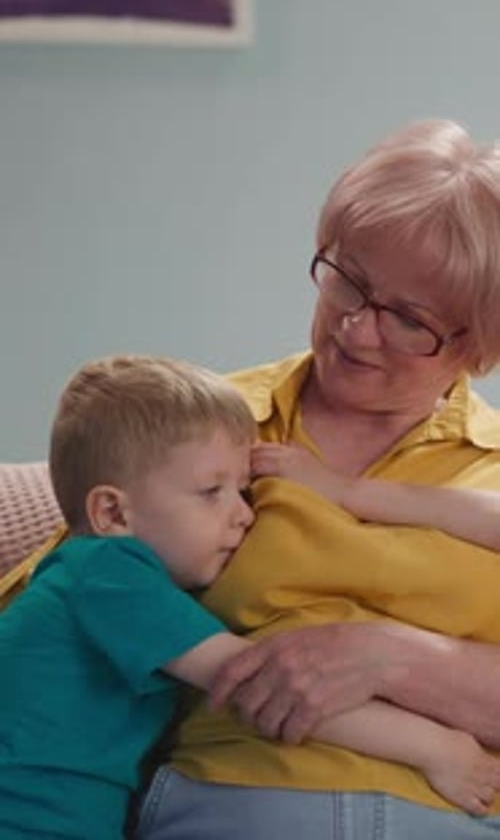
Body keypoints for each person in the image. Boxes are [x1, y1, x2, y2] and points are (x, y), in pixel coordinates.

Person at [135, 119, 500, 840]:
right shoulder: (201, 424)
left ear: (479, 343)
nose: (357, 330)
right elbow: (73, 602)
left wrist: (397, 659)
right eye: (350, 283)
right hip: (231, 803)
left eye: (406, 318)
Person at [2, 358, 499, 840]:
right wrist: (438, 749)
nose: (244, 515)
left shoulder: (106, 581)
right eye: (211, 492)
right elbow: (259, 683)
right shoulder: (106, 578)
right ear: (112, 512)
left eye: (243, 490)